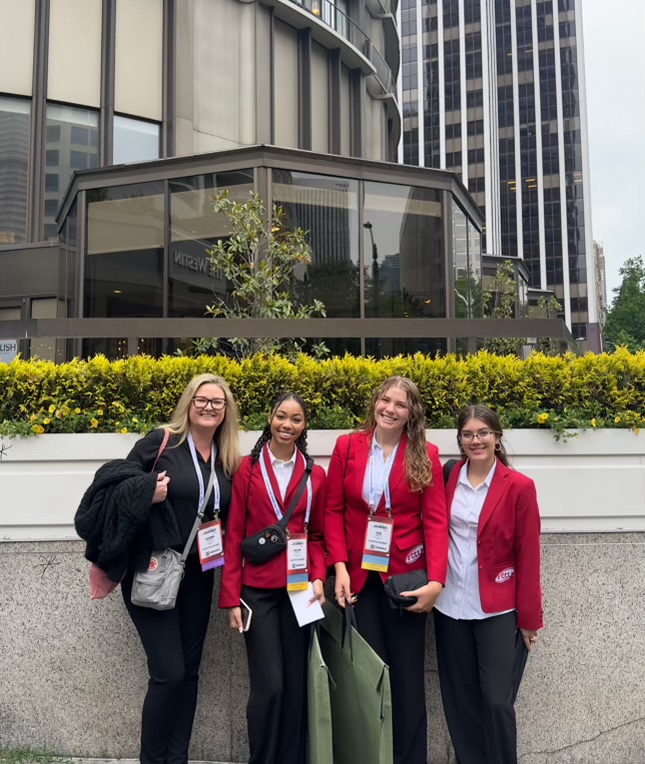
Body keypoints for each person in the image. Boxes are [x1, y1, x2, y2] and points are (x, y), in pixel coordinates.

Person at [325, 376, 448, 764]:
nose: (390, 409)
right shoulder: (347, 446)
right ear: (375, 403)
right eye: (385, 400)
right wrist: (339, 568)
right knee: (369, 677)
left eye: (400, 404)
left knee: (408, 681)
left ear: (412, 413)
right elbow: (332, 511)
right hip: (358, 579)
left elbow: (436, 521)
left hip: (405, 580)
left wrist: (436, 582)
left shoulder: (425, 453)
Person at [123, 373, 241, 764]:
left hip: (199, 577)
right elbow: (114, 487)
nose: (209, 407)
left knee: (189, 674)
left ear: (227, 412)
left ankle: (178, 758)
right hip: (154, 571)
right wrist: (147, 492)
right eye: (202, 400)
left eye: (217, 402)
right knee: (169, 674)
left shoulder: (227, 460)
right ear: (189, 404)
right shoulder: (161, 443)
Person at [219, 392, 327, 764]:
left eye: (296, 419)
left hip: (299, 591)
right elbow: (233, 535)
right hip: (258, 592)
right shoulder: (247, 470)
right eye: (282, 416)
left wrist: (319, 578)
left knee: (296, 685)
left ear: (304, 426)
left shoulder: (316, 474)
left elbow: (316, 536)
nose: (287, 424)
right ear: (270, 418)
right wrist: (231, 596)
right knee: (271, 685)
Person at [434, 404, 543, 764]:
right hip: (449, 604)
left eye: (483, 432)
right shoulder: (448, 477)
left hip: (497, 606)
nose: (475, 440)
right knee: (460, 700)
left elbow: (528, 554)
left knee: (497, 700)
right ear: (460, 439)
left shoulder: (519, 487)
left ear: (497, 437)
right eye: (468, 434)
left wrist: (529, 618)